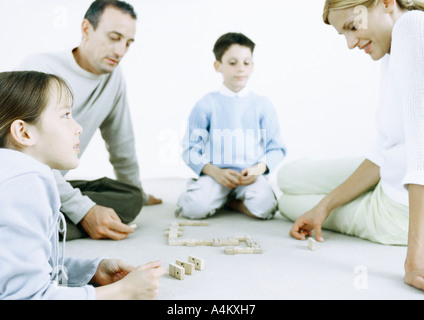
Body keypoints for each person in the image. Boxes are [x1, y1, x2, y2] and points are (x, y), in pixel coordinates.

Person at [277, 0, 424, 291]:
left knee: (287, 202)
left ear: (385, 2)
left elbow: (422, 153)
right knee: (287, 176)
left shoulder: (412, 28)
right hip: (388, 175)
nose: (350, 43)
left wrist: (416, 259)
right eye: (342, 34)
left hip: (399, 209)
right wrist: (325, 206)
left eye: (352, 27)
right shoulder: (393, 49)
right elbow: (387, 148)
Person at [0, 71, 166, 300]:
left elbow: (22, 264)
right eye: (66, 115)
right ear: (23, 132)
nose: (78, 127)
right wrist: (122, 292)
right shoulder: (24, 182)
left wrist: (91, 270)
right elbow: (28, 296)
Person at [18, 0, 162, 241]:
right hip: (23, 181)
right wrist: (82, 209)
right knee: (31, 200)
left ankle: (42, 224)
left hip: (53, 187)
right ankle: (35, 229)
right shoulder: (40, 69)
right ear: (86, 29)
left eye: (128, 43)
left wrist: (136, 190)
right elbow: (25, 156)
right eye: (114, 37)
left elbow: (121, 143)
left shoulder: (113, 78)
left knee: (131, 198)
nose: (121, 51)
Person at [176, 33, 286, 220]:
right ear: (218, 66)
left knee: (266, 208)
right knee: (193, 209)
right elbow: (190, 149)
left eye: (246, 63)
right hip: (216, 176)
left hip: (249, 176)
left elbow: (276, 148)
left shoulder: (262, 105)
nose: (240, 69)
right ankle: (202, 190)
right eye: (233, 63)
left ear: (252, 66)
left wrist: (258, 170)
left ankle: (230, 202)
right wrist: (214, 172)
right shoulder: (206, 105)